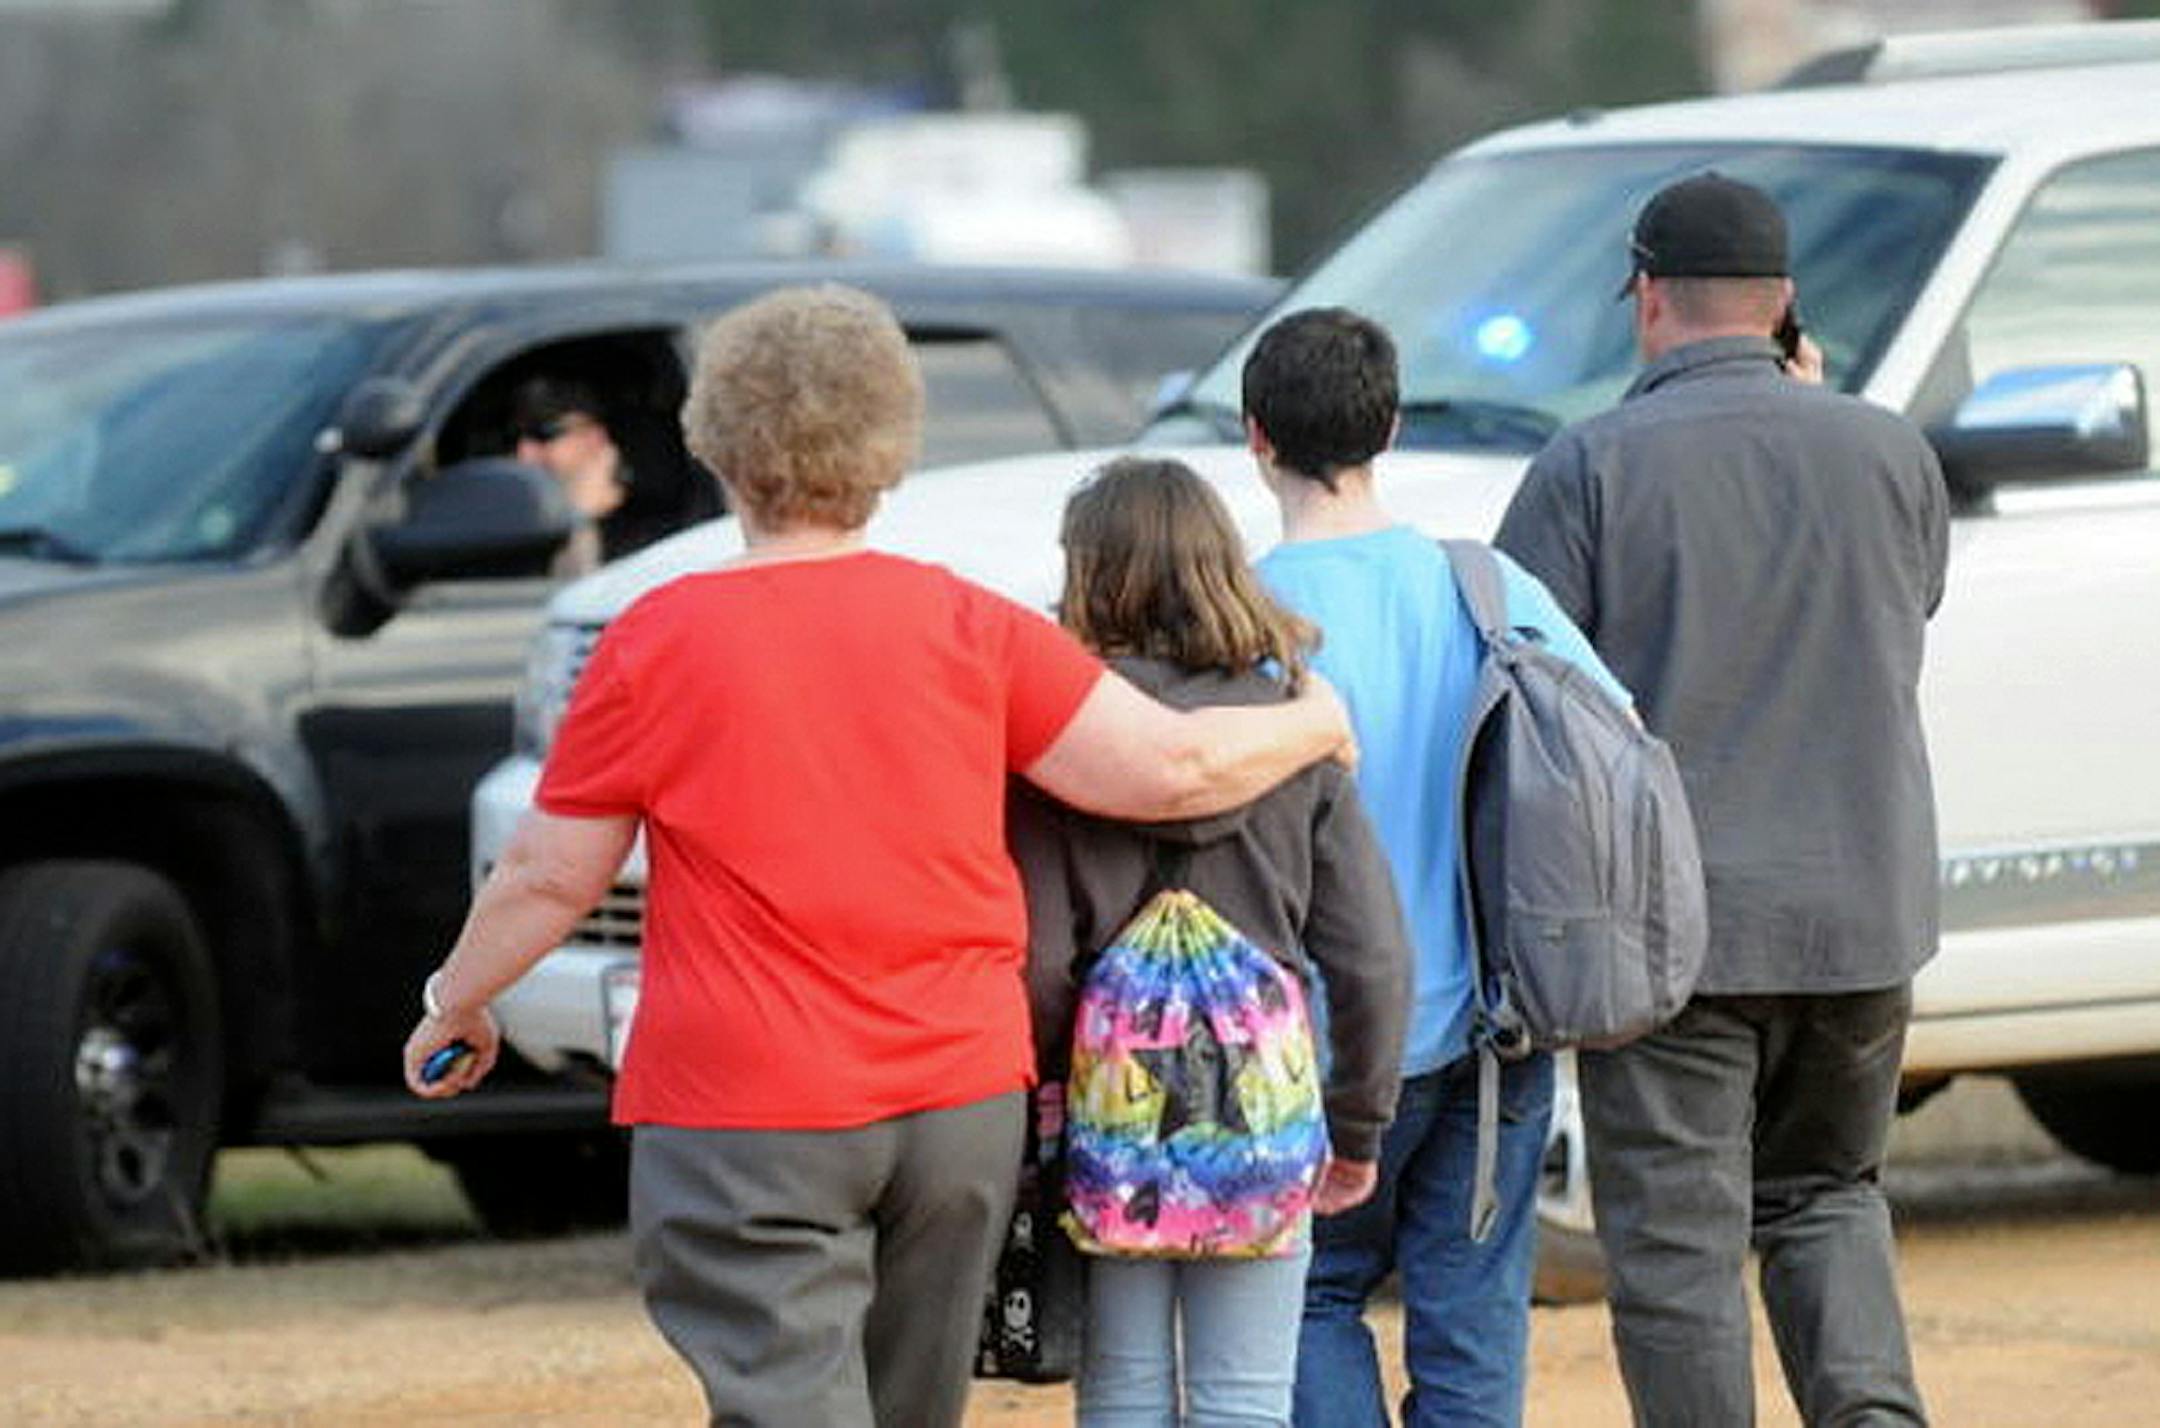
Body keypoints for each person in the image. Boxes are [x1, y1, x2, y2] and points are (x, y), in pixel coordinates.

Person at [400, 284, 1358, 1428]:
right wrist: (1316, 721)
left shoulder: (653, 639)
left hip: (747, 1108)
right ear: (891, 450)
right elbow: (1170, 774)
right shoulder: (975, 625)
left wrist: (456, 999)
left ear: (716, 446)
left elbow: (550, 875)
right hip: (956, 1103)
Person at [1494, 172, 1947, 1427]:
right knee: (1830, 1194)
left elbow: (1526, 698)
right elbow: (1905, 608)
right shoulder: (1889, 450)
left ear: (1646, 299)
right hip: (1862, 921)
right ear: (1787, 305)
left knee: (1681, 1252)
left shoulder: (1587, 467)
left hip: (1673, 939)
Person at [1242, 308, 1628, 1428]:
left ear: (1257, 437)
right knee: (1473, 1325)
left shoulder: (1243, 614)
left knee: (1308, 1302)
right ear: (1391, 427)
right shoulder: (1485, 589)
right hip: (1490, 1037)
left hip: (1310, 1052)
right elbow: (1615, 739)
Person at [1011, 456, 1413, 1428]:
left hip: (1113, 1115)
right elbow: (1375, 961)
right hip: (1261, 1113)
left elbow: (1035, 965)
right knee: (1245, 1399)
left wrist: (1053, 1108)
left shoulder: (1063, 746)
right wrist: (1355, 1127)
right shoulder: (1295, 735)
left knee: (1124, 1392)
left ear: (1089, 574)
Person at [506, 374, 637, 574]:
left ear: (595, 437)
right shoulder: (506, 531)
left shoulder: (661, 536)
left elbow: (579, 598)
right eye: (514, 438)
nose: (524, 455)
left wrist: (581, 520)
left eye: (544, 435)